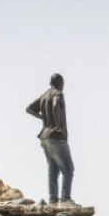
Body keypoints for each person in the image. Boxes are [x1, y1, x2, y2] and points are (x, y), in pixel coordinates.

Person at [27, 73, 78, 207]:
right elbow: (56, 104)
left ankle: (53, 201)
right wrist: (57, 125)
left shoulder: (44, 95)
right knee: (68, 169)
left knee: (53, 169)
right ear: (60, 83)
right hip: (56, 136)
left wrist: (42, 118)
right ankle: (65, 199)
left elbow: (29, 109)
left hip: (44, 136)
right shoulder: (58, 93)